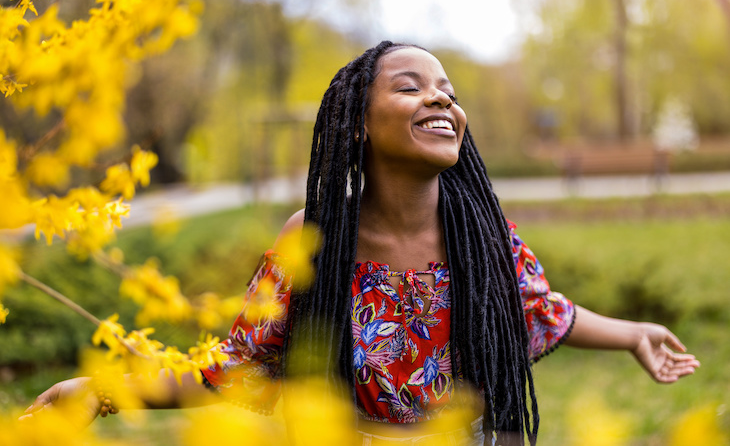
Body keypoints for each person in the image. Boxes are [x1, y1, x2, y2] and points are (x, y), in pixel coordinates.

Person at [22, 42, 700, 445]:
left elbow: (539, 310)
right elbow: (234, 365)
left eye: (448, 91)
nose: (441, 100)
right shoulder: (313, 240)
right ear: (354, 126)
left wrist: (634, 331)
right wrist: (101, 390)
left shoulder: (481, 231)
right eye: (411, 87)